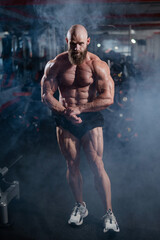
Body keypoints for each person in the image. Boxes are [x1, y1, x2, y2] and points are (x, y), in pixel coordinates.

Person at [41, 24, 120, 233]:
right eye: (72, 44)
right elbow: (46, 94)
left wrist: (81, 108)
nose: (76, 48)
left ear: (88, 42)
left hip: (90, 118)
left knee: (97, 165)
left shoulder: (98, 64)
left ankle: (109, 213)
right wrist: (64, 110)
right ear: (67, 42)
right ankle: (80, 206)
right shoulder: (55, 64)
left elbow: (108, 97)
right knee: (72, 164)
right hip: (65, 118)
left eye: (80, 44)